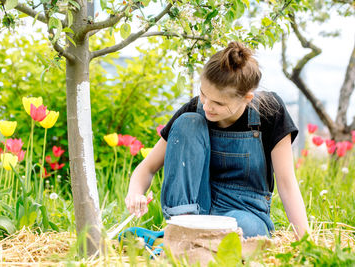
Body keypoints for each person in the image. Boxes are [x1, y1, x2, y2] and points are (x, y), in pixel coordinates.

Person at [123, 41, 309, 241]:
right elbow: (147, 168)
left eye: (219, 103)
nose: (206, 106)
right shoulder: (195, 109)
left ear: (247, 98)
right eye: (203, 93)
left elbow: (287, 184)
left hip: (245, 213)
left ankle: (186, 242)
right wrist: (135, 194)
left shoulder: (270, 112)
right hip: (194, 212)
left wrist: (305, 243)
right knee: (188, 122)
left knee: (239, 233)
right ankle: (183, 230)